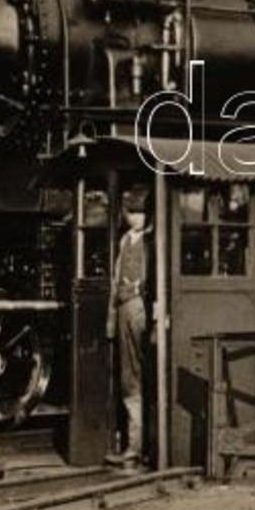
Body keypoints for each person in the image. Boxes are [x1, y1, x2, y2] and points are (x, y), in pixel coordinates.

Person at [107, 192, 151, 469]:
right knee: (128, 377)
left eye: (138, 212)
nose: (133, 217)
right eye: (130, 212)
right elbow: (114, 281)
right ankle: (132, 445)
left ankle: (137, 445)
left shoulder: (151, 242)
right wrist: (110, 319)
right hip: (124, 307)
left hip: (139, 309)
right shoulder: (125, 241)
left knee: (138, 375)